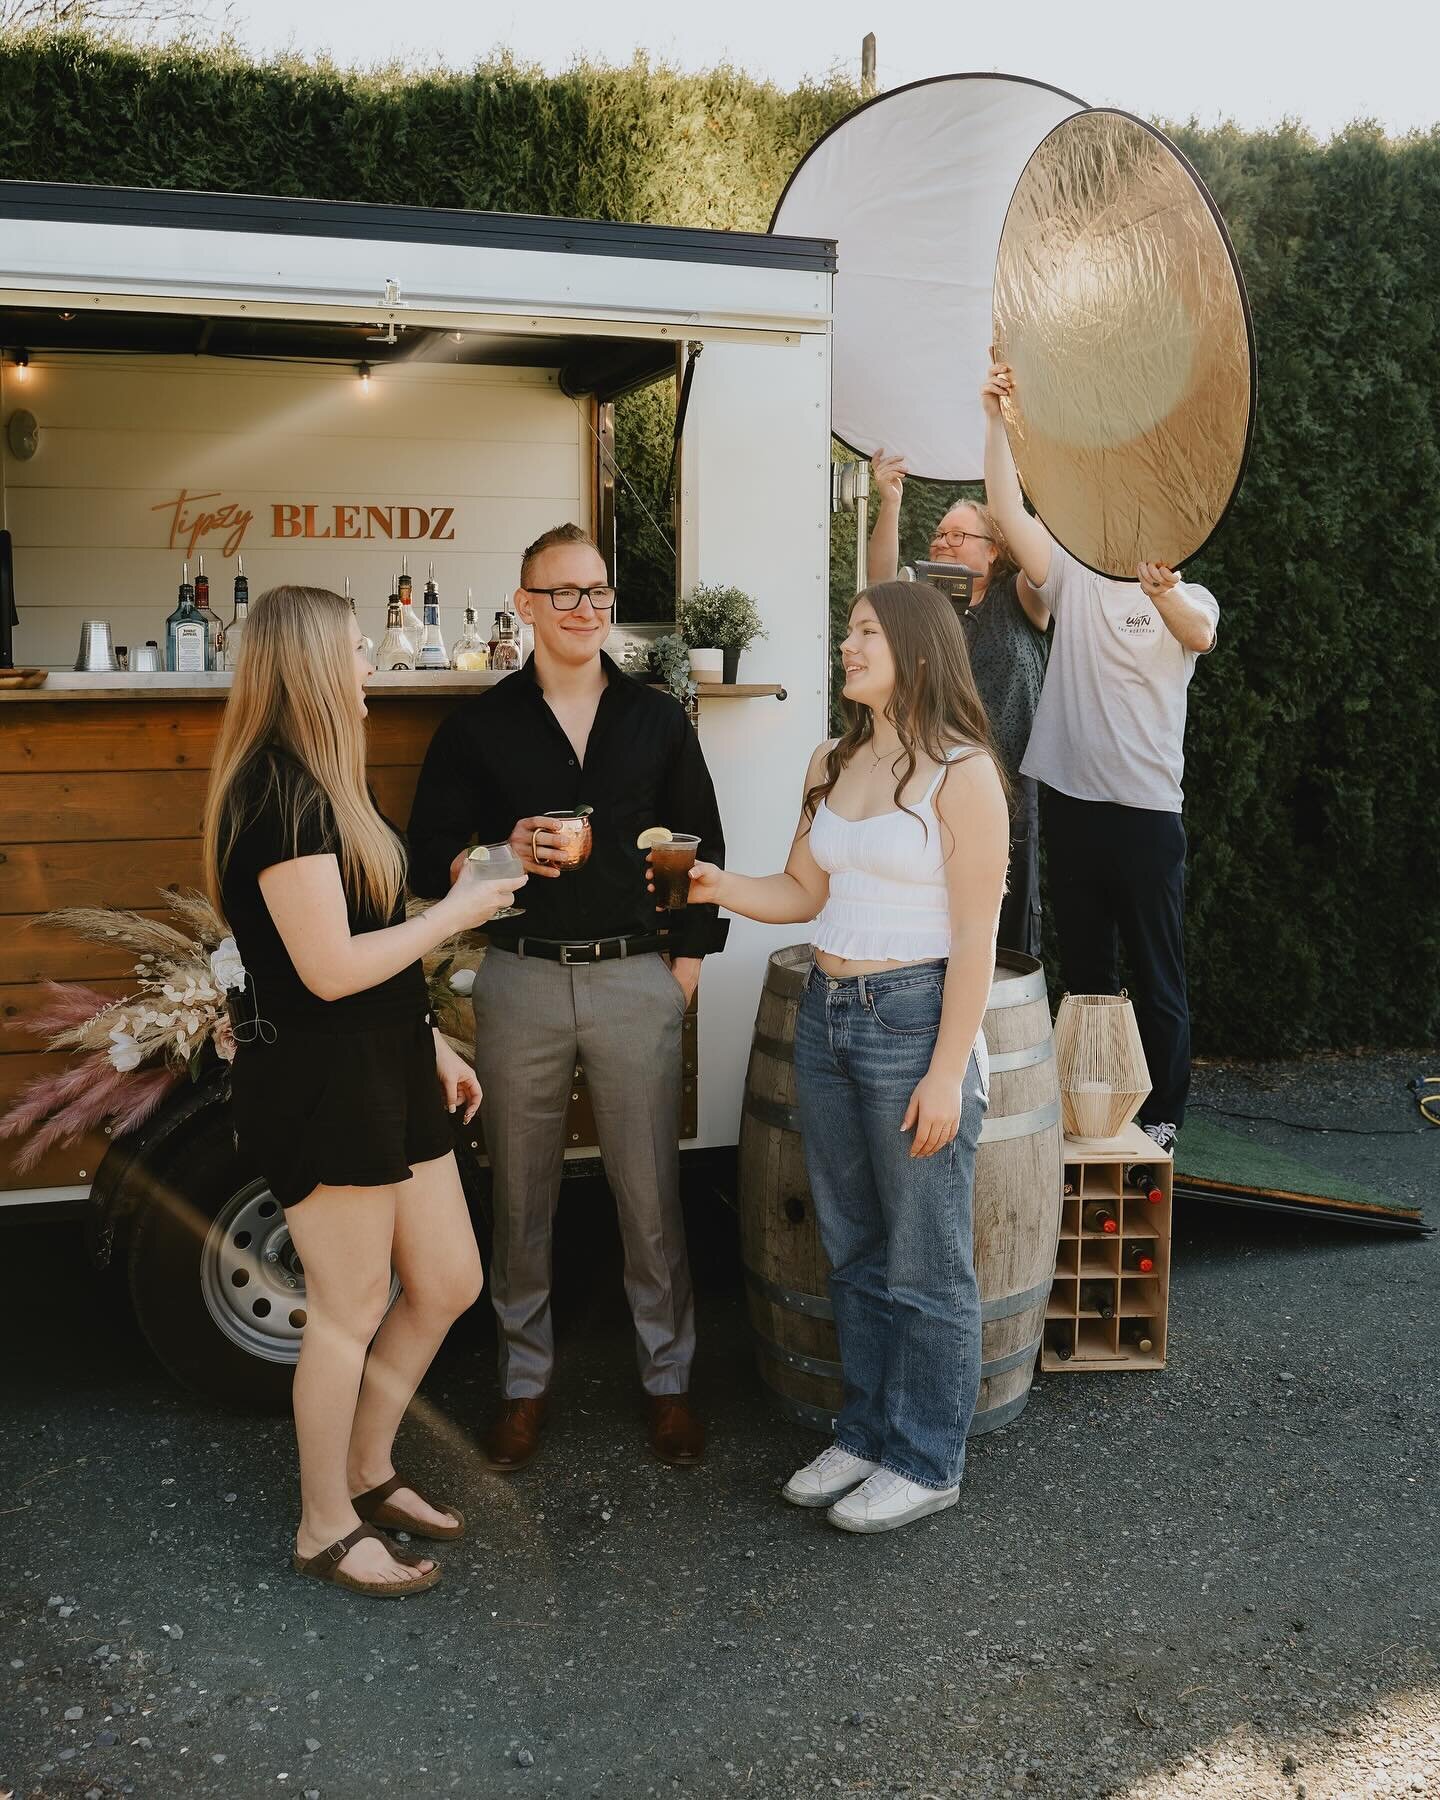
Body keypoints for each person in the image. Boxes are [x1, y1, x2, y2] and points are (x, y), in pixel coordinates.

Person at [202, 585, 525, 1598]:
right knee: (348, 1309)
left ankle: (367, 1464)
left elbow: (371, 949)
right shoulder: (280, 797)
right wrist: (465, 907)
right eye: (353, 651)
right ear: (307, 668)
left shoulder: (328, 785)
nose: (369, 668)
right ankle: (323, 1525)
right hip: (322, 1079)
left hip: (385, 1062)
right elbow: (332, 968)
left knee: (446, 1283)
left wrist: (428, 1041)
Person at [688, 581, 1008, 1533]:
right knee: (854, 1249)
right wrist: (715, 884)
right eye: (847, 632)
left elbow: (978, 935)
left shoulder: (965, 773)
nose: (846, 645)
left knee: (925, 1260)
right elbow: (799, 891)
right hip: (827, 1014)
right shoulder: (833, 759)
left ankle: (926, 1458)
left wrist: (950, 1069)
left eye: (865, 632)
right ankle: (866, 1433)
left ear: (916, 648)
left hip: (915, 1023)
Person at [407, 523, 728, 1472]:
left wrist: (685, 975)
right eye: (566, 594)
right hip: (522, 979)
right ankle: (521, 1387)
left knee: (652, 1198)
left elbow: (701, 852)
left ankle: (668, 1385)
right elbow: (431, 854)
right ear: (526, 606)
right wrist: (504, 851)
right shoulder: (480, 726)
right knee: (522, 1199)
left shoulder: (659, 719)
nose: (587, 610)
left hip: (637, 977)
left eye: (598, 594)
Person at [981, 361, 1220, 1154]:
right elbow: (1008, 513)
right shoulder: (1076, 572)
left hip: (1149, 815)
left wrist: (1162, 596)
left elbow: (1201, 634)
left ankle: (1164, 1118)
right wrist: (999, 419)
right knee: (1086, 978)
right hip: (1076, 808)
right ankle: (1087, 1112)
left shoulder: (1188, 593)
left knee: (1158, 979)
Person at [867, 450, 1050, 957]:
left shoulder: (1021, 598)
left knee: (1004, 932)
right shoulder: (926, 607)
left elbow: (1043, 554)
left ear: (995, 550)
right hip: (928, 789)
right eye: (939, 535)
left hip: (1009, 792)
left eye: (958, 535)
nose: (943, 542)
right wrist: (890, 501)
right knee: (935, 922)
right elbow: (880, 588)